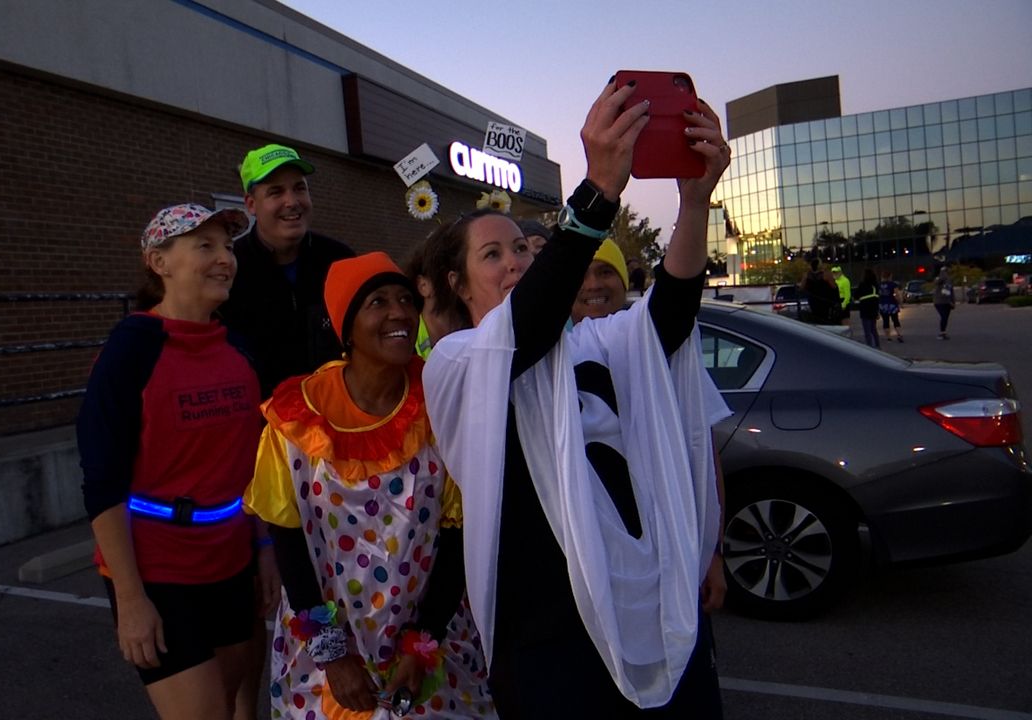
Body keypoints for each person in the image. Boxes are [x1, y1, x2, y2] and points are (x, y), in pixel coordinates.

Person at [421, 78, 732, 717]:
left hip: (646, 604)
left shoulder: (595, 342)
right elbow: (522, 333)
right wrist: (600, 191)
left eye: (522, 249)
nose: (516, 262)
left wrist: (695, 202)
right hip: (547, 632)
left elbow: (667, 318)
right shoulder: (456, 363)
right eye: (493, 254)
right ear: (457, 283)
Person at [244, 252, 494, 719]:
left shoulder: (441, 401)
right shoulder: (297, 415)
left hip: (428, 639)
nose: (399, 312)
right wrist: (332, 654)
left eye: (404, 299)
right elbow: (289, 541)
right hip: (327, 652)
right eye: (377, 302)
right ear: (345, 327)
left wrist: (422, 646)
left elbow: (459, 534)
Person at [78, 204, 280, 720]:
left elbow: (252, 466)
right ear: (159, 262)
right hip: (157, 569)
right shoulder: (131, 350)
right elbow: (102, 483)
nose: (224, 259)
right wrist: (130, 599)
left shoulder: (238, 348)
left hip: (230, 561)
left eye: (229, 248)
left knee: (238, 703)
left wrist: (262, 550)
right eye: (205, 246)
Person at [569, 237, 728, 614]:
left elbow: (703, 456)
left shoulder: (662, 348)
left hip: (674, 548)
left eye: (605, 271)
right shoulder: (549, 365)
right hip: (600, 565)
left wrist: (713, 551)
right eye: (582, 274)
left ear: (625, 281)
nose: (593, 284)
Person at [220, 143, 356, 398]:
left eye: (299, 188)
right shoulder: (229, 268)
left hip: (336, 420)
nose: (292, 202)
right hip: (262, 428)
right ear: (251, 204)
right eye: (276, 192)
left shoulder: (340, 260)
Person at [802, 258, 839, 324]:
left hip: (813, 301)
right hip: (825, 301)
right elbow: (834, 286)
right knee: (825, 318)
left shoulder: (807, 275)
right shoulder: (825, 275)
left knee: (816, 318)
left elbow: (802, 287)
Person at [854, 268, 881, 348]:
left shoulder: (862, 285)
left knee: (867, 331)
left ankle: (870, 347)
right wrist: (877, 311)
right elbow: (877, 299)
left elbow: (856, 296)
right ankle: (877, 346)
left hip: (865, 310)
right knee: (873, 330)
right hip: (873, 310)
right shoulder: (875, 285)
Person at [878, 270, 905, 343]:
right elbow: (897, 295)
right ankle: (899, 335)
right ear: (889, 276)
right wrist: (900, 303)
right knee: (895, 320)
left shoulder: (879, 285)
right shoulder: (893, 284)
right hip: (892, 304)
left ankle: (888, 337)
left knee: (885, 321)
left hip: (883, 305)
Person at [934, 266, 956, 339]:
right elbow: (937, 282)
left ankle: (943, 332)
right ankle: (942, 333)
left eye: (946, 272)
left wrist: (953, 302)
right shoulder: (939, 279)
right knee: (943, 316)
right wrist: (943, 275)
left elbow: (951, 292)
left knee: (945, 317)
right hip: (939, 302)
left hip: (947, 302)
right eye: (944, 272)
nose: (945, 273)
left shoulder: (949, 281)